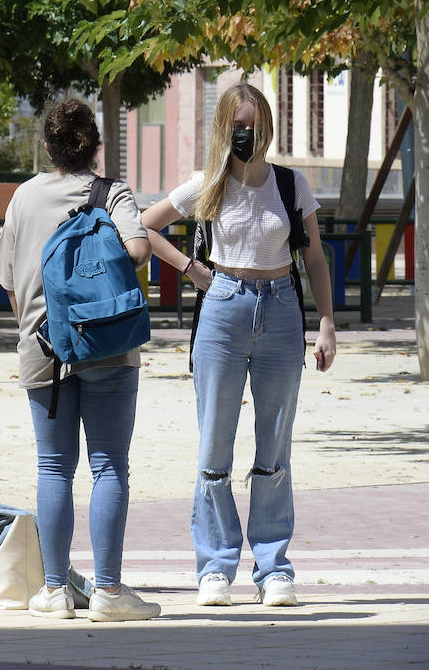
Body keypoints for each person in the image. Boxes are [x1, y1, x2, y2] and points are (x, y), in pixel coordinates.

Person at [140, 81, 336, 609]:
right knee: (214, 444)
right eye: (237, 125)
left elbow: (314, 259)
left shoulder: (292, 186)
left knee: (274, 447)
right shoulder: (207, 183)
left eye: (253, 124)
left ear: (267, 126)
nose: (246, 134)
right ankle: (215, 567)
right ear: (224, 129)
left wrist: (326, 324)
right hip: (223, 308)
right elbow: (141, 226)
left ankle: (273, 568)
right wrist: (189, 269)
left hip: (280, 309)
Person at [0, 97, 161, 622]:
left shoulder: (25, 196)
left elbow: (9, 280)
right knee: (109, 467)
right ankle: (107, 590)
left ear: (47, 146)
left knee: (53, 467)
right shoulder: (114, 193)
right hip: (108, 341)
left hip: (43, 348)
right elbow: (138, 250)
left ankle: (55, 590)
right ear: (96, 146)